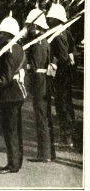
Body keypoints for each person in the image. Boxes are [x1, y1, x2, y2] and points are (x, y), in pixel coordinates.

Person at [0, 15, 27, 174]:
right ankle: (16, 162)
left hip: (10, 94)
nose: (0, 35)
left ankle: (13, 164)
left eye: (3, 33)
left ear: (9, 34)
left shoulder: (8, 51)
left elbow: (5, 79)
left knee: (10, 130)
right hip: (18, 93)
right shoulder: (19, 47)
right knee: (16, 130)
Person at [24, 9, 56, 162]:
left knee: (41, 117)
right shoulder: (45, 42)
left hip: (40, 82)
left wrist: (25, 68)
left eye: (30, 26)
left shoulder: (37, 44)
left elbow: (35, 67)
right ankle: (49, 153)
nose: (29, 29)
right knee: (45, 117)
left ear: (35, 26)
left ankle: (44, 154)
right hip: (45, 81)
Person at [46, 3, 76, 149]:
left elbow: (64, 55)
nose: (48, 20)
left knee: (62, 105)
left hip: (61, 75)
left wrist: (53, 63)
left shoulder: (57, 34)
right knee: (66, 104)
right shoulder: (66, 32)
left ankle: (67, 137)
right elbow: (72, 50)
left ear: (57, 19)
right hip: (67, 74)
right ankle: (70, 135)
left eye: (51, 18)